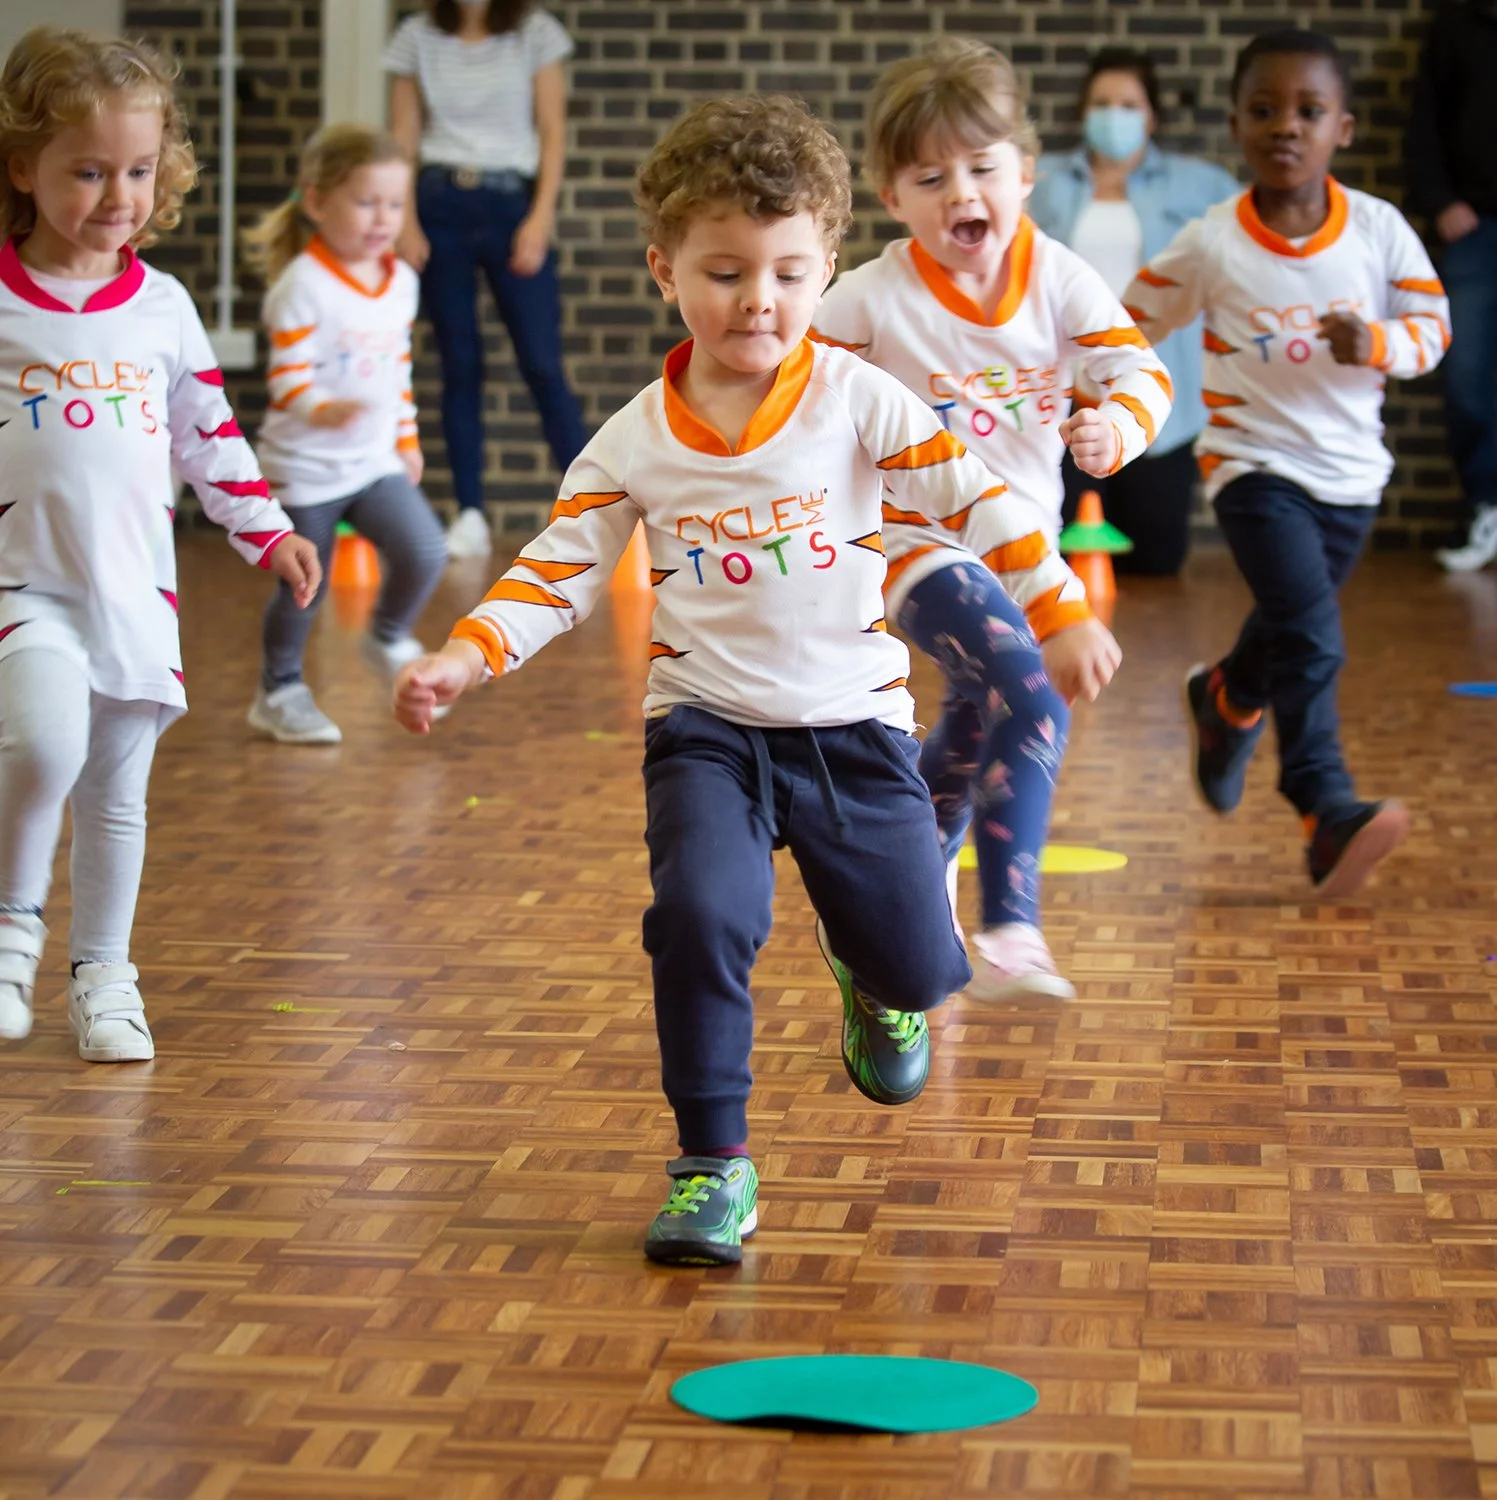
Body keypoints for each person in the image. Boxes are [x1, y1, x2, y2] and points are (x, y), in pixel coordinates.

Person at [391, 95, 1107, 1267]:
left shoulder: (858, 397)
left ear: (828, 266)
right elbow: (560, 566)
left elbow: (980, 499)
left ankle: (877, 979)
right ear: (665, 269)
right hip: (707, 731)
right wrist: (464, 654)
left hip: (854, 728)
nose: (756, 302)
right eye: (724, 273)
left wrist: (1060, 609)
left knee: (926, 966)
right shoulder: (633, 438)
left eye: (785, 273)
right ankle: (711, 1168)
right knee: (701, 917)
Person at [0, 27, 320, 1057]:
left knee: (116, 790)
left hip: (135, 594)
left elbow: (207, 436)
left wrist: (264, 529)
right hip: (24, 586)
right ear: (23, 166)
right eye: (86, 171)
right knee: (44, 745)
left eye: (136, 171)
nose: (114, 196)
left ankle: (105, 976)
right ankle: (11, 940)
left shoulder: (165, 308)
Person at [813, 38, 1151, 999]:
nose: (960, 191)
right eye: (930, 176)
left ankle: (882, 917)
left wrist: (1115, 429)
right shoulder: (870, 297)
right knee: (1033, 691)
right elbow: (784, 377)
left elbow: (1140, 372)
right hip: (913, 546)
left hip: (1025, 544)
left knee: (970, 728)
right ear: (892, 195)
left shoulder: (1059, 278)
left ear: (1025, 172)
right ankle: (1009, 928)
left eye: (982, 167)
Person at [1127, 30, 1449, 896]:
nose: (1285, 128)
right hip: (1250, 468)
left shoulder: (1377, 231)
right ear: (1236, 123)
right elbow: (1126, 319)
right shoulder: (1210, 243)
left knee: (1286, 628)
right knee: (1311, 637)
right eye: (1263, 110)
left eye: (1307, 111)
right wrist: (1074, 377)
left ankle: (1227, 698)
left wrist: (1376, 340)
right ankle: (1323, 809)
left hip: (1350, 480)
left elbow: (1432, 330)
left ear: (1340, 128)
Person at [243, 124, 447, 745]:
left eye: (394, 203)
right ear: (316, 201)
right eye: (366, 202)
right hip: (305, 468)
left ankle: (386, 636)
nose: (382, 218)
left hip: (372, 462)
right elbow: (285, 379)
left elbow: (397, 373)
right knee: (308, 583)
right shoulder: (302, 286)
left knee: (425, 550)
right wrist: (321, 409)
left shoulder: (402, 282)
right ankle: (278, 690)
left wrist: (406, 439)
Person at [386, 0, 588, 561]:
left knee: (543, 363)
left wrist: (541, 217)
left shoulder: (536, 33)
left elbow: (552, 130)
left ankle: (602, 510)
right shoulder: (416, 36)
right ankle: (470, 513)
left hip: (511, 205)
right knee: (459, 364)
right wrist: (404, 219)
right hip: (438, 202)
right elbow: (402, 134)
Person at [1029, 47, 1239, 575]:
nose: (1114, 115)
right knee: (1058, 552)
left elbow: (1252, 249)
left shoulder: (1200, 185)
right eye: (1102, 103)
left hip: (1156, 391)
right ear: (1083, 111)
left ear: (1152, 115)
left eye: (1128, 104)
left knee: (1157, 557)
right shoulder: (1043, 180)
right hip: (1063, 393)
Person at [1404, 1, 1497, 571]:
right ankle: (1487, 506)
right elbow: (1425, 124)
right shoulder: (1457, 27)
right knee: (1466, 374)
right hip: (1474, 228)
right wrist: (1439, 202)